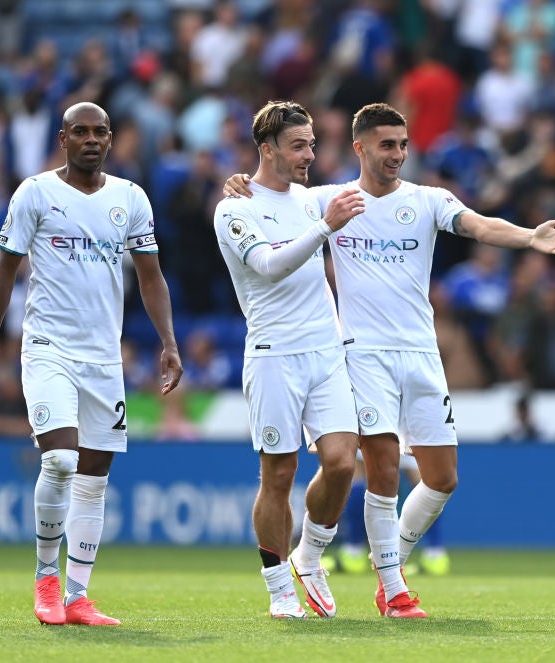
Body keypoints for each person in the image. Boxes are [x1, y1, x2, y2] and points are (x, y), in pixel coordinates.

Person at [225, 102, 555, 617]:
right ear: (360, 147)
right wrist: (242, 185)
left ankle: (387, 558)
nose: (399, 154)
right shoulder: (328, 200)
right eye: (387, 145)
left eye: (404, 144)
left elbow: (477, 226)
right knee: (381, 468)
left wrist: (528, 236)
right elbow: (275, 197)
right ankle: (391, 585)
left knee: (442, 477)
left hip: (422, 353)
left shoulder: (428, 199)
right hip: (360, 353)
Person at [0, 102, 183, 627]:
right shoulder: (36, 193)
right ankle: (45, 579)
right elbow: (4, 272)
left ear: (111, 139)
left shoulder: (130, 197)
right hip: (47, 348)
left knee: (94, 477)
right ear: (63, 139)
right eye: (80, 132)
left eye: (100, 132)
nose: (91, 139)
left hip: (103, 356)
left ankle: (78, 595)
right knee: (61, 461)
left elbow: (151, 277)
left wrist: (169, 341)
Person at [213, 101, 365, 619]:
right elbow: (269, 265)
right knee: (277, 477)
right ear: (267, 149)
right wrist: (325, 227)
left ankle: (310, 556)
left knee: (343, 462)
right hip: (275, 355)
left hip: (326, 351)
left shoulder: (308, 198)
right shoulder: (234, 208)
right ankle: (279, 588)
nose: (309, 154)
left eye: (313, 144)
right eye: (298, 145)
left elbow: (373, 191)